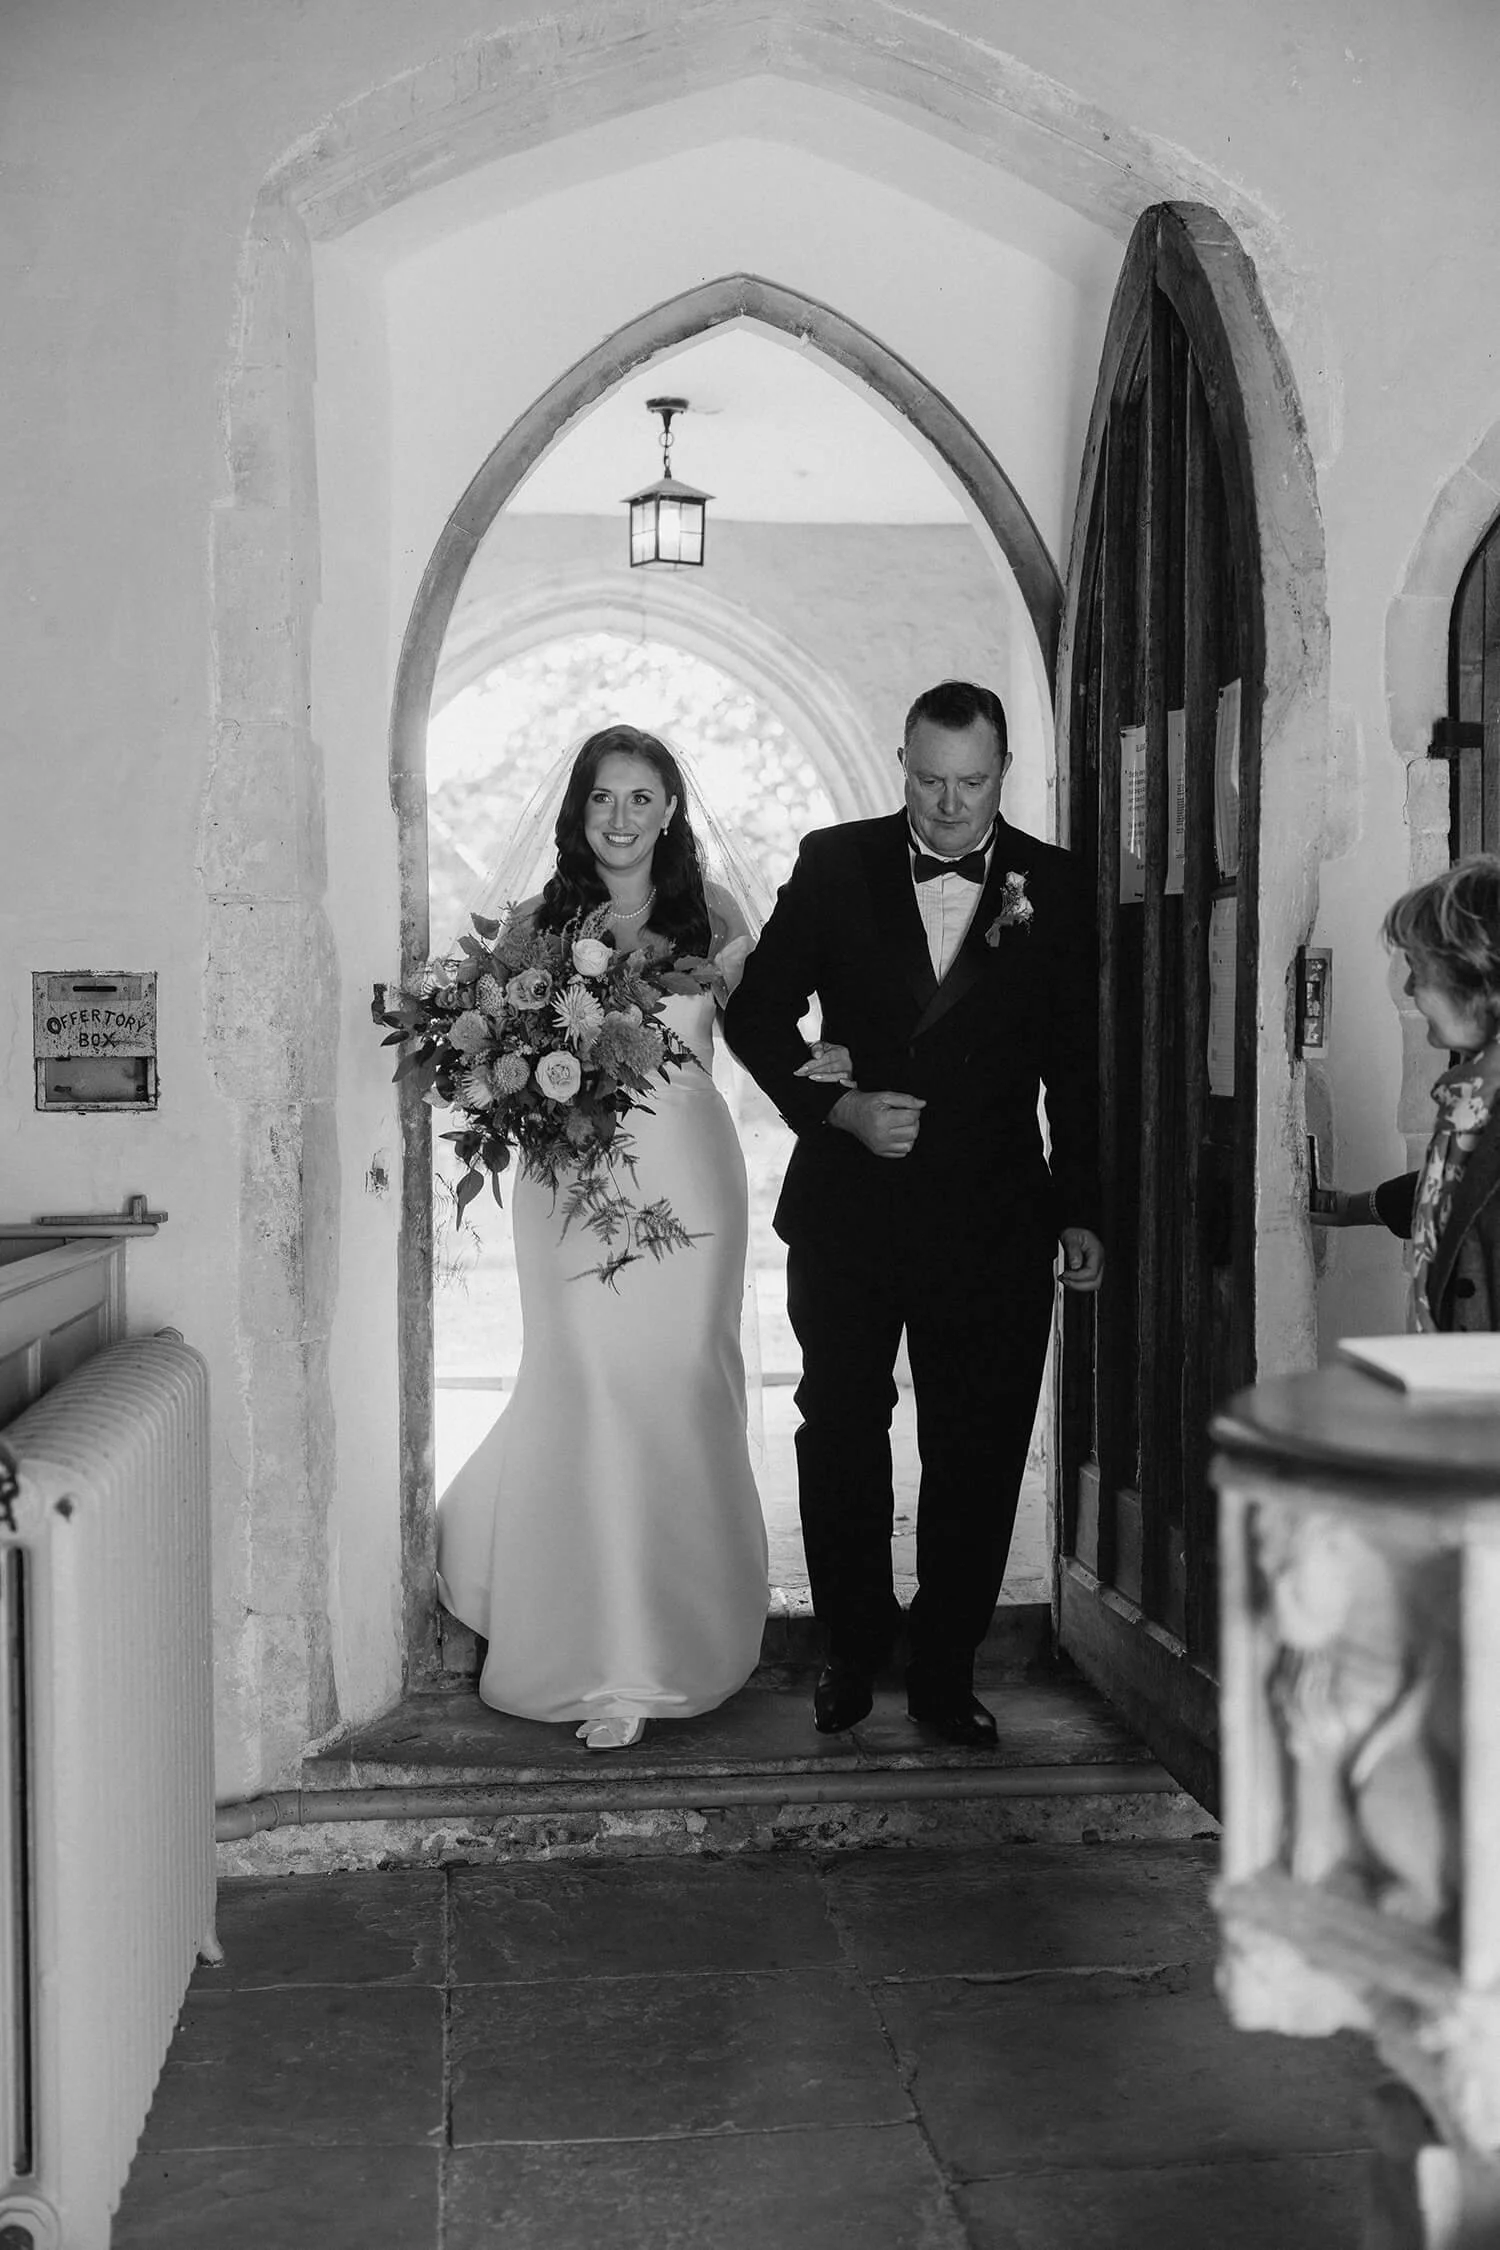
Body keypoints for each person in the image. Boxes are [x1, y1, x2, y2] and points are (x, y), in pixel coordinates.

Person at [724, 679, 1105, 1747]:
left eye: (971, 784)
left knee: (977, 1449)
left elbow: (1077, 1065)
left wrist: (1082, 1207)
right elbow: (757, 1009)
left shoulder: (1058, 886)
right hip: (851, 1209)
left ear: (1004, 772)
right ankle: (849, 1654)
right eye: (929, 781)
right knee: (841, 1432)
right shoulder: (836, 862)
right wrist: (835, 1107)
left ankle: (945, 1672)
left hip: (996, 1214)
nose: (948, 805)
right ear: (901, 761)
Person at [435, 725, 772, 1750]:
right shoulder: (541, 926)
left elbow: (764, 1039)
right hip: (569, 1181)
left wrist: (835, 1064)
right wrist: (496, 1072)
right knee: (582, 1376)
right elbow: (484, 1051)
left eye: (639, 798)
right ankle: (583, 1640)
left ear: (671, 808)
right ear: (577, 813)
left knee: (675, 1388)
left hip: (687, 1182)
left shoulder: (714, 918)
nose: (620, 818)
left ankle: (665, 1646)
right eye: (601, 800)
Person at [1311, 854, 1500, 1332]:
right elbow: (1457, 1185)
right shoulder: (1474, 1094)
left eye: (1423, 970)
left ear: (1481, 982)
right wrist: (1356, 1207)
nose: (1412, 987)